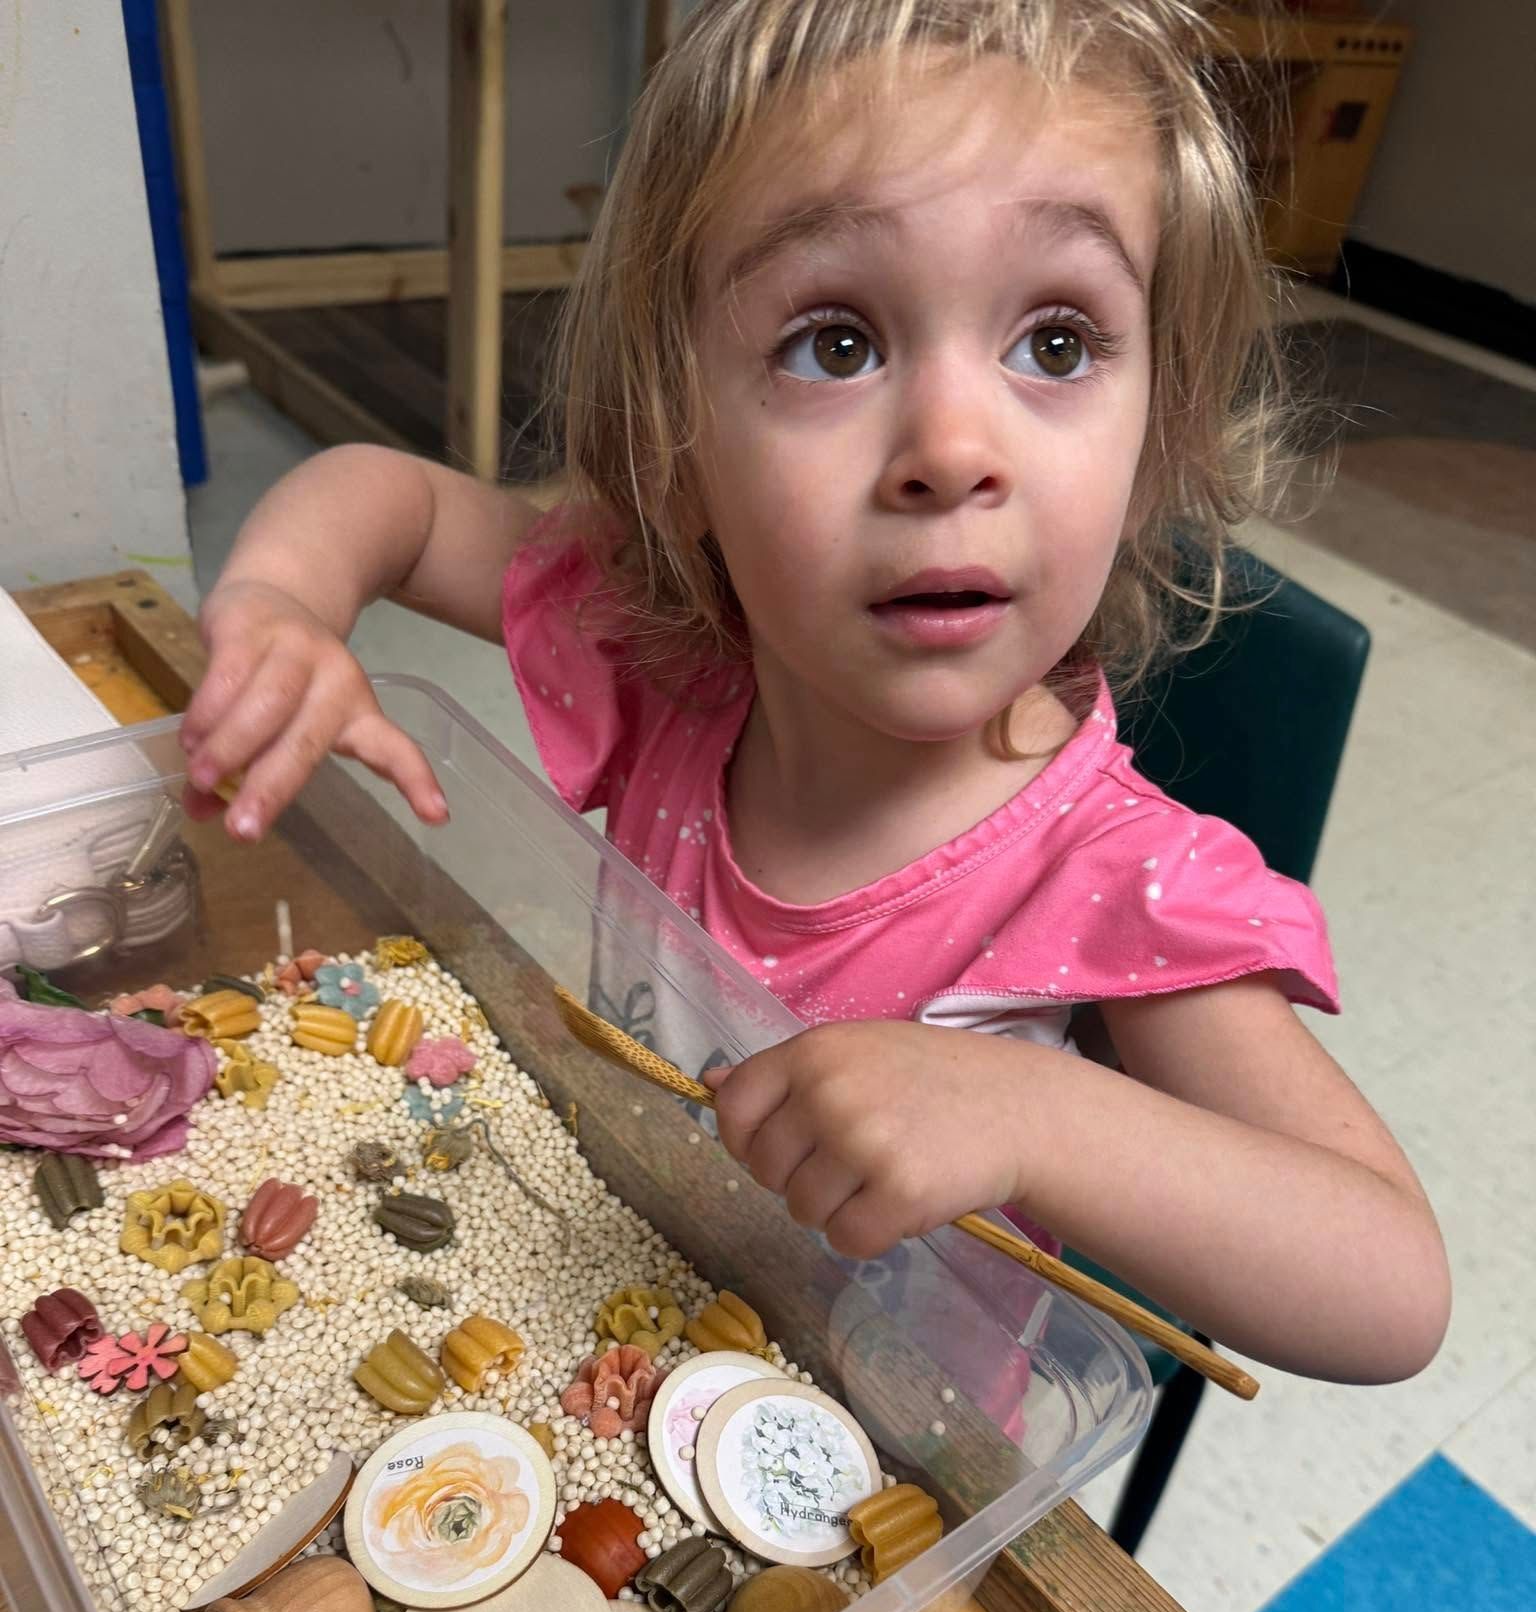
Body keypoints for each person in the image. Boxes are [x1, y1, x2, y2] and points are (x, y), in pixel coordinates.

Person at [178, 0, 1448, 1384]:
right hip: (613, 1314)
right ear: (677, 452)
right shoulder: (678, 664)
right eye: (836, 343)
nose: (954, 449)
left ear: (1154, 445)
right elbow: (398, 506)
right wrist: (286, 607)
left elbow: (1389, 1284)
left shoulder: (1107, 879)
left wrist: (1032, 1114)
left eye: (1060, 342)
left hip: (891, 1450)